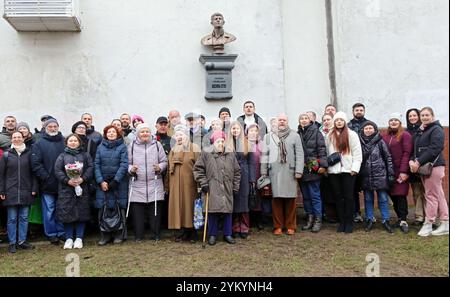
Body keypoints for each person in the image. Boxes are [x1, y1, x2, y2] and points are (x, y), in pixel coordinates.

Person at [193, 130, 241, 245]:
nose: (221, 143)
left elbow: (237, 171)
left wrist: (235, 187)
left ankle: (227, 234)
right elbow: (198, 169)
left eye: (223, 141)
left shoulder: (230, 153)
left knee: (227, 212)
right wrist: (203, 183)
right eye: (218, 141)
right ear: (213, 142)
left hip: (227, 187)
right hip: (211, 187)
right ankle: (212, 235)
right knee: (212, 211)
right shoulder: (206, 153)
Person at [260, 114, 304, 236]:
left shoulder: (295, 135)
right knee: (276, 199)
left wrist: (299, 170)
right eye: (280, 120)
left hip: (290, 171)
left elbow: (299, 154)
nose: (282, 122)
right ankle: (278, 226)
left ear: (287, 122)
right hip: (274, 172)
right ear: (276, 122)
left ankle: (290, 226)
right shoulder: (268, 137)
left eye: (284, 120)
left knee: (291, 199)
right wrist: (264, 172)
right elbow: (265, 155)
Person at [410, 107, 448, 236]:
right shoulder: (422, 130)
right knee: (438, 194)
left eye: (427, 115)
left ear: (432, 115)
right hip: (425, 166)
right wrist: (412, 161)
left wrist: (418, 162)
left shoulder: (436, 129)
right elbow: (415, 149)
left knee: (430, 195)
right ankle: (445, 222)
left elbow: (435, 148)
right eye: (422, 115)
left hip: (434, 166)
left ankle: (428, 224)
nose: (424, 117)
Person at [128, 123, 168, 241]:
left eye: (147, 131)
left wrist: (160, 167)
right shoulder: (132, 146)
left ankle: (156, 234)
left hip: (154, 182)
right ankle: (138, 236)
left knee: (155, 212)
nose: (145, 133)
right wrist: (131, 169)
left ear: (150, 133)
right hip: (137, 183)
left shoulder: (157, 145)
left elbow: (164, 161)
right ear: (138, 134)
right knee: (137, 213)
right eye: (142, 131)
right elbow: (127, 163)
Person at [0, 131, 38, 253]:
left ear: (23, 138)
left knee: (24, 217)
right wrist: (2, 190)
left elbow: (34, 173)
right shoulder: (6, 155)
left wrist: (34, 188)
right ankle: (12, 242)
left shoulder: (30, 154)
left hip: (26, 190)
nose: (17, 139)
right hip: (10, 190)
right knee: (11, 218)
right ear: (11, 139)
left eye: (19, 137)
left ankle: (22, 241)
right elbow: (1, 175)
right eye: (14, 137)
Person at [54, 134, 94, 249]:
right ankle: (69, 238)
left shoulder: (85, 155)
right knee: (67, 214)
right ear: (66, 143)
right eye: (70, 141)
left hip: (82, 188)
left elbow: (90, 168)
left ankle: (79, 238)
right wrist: (67, 180)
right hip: (66, 190)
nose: (73, 142)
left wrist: (82, 179)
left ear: (79, 142)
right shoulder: (62, 156)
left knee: (82, 213)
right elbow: (57, 170)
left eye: (75, 140)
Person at [325, 111, 362, 233]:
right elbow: (326, 152)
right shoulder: (329, 135)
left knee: (348, 197)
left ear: (345, 121)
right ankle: (342, 222)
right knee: (338, 197)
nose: (339, 122)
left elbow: (357, 153)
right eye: (336, 120)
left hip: (348, 170)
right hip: (334, 171)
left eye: (341, 120)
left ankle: (349, 222)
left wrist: (355, 168)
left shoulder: (352, 134)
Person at [31, 118, 66, 244]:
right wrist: (45, 177)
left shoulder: (64, 141)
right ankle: (51, 233)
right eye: (50, 126)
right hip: (47, 183)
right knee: (49, 209)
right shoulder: (39, 143)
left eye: (55, 126)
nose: (53, 128)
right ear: (45, 128)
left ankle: (62, 232)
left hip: (63, 183)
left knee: (61, 208)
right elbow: (36, 164)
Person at [94, 125, 129, 245]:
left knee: (118, 208)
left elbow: (124, 164)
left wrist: (115, 180)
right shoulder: (100, 147)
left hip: (118, 183)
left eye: (114, 132)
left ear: (118, 134)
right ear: (105, 134)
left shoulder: (122, 147)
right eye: (109, 132)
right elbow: (96, 165)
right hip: (103, 183)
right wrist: (101, 181)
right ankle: (105, 236)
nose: (111, 134)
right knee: (104, 208)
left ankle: (118, 235)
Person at [358, 121, 395, 233]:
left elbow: (388, 157)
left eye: (371, 128)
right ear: (363, 130)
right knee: (368, 199)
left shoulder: (380, 141)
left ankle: (386, 220)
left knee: (383, 199)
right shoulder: (359, 142)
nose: (368, 130)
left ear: (375, 130)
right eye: (366, 128)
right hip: (366, 175)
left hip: (380, 174)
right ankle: (369, 219)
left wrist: (391, 173)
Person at [167, 125, 200, 242]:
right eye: (177, 135)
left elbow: (200, 166)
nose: (179, 137)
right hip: (176, 184)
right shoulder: (173, 149)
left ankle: (193, 233)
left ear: (186, 135)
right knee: (179, 208)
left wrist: (200, 184)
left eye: (181, 134)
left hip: (190, 184)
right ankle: (183, 232)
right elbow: (168, 168)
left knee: (189, 207)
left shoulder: (194, 147)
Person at [382, 112, 413, 233]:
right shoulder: (385, 136)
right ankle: (399, 218)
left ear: (400, 122)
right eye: (391, 120)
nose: (393, 122)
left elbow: (407, 153)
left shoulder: (405, 135)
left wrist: (404, 171)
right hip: (388, 171)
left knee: (400, 195)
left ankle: (404, 220)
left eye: (396, 120)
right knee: (393, 195)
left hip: (400, 170)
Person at [297, 114, 328, 233]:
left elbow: (322, 149)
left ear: (310, 120)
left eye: (305, 118)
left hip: (313, 168)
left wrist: (323, 165)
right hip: (302, 169)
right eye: (301, 118)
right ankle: (309, 218)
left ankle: (317, 220)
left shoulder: (316, 132)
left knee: (315, 196)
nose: (303, 120)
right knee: (306, 197)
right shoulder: (298, 133)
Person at [227, 121, 256, 239]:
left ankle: (243, 227)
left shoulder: (247, 144)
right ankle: (234, 227)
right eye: (233, 129)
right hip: (231, 175)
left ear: (241, 130)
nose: (235, 130)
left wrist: (252, 179)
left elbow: (251, 163)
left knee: (243, 201)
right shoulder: (226, 144)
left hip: (244, 174)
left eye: (237, 128)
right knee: (233, 200)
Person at [348, 103, 370, 223]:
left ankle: (369, 214)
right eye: (357, 110)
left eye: (361, 110)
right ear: (353, 111)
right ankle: (356, 213)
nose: (359, 112)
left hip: (367, 162)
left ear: (364, 111)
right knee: (353, 190)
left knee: (367, 189)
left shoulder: (369, 124)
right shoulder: (349, 125)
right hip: (353, 162)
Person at [406, 108, 426, 225]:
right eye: (410, 116)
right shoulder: (406, 132)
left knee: (427, 192)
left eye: (414, 115)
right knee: (416, 192)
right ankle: (419, 216)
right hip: (411, 165)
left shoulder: (424, 130)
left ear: (419, 116)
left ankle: (429, 216)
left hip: (424, 164)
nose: (412, 118)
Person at [247, 123, 267, 230]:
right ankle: (249, 220)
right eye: (251, 131)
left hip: (259, 173)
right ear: (247, 132)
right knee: (249, 196)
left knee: (259, 197)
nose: (253, 133)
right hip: (248, 174)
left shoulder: (262, 144)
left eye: (255, 131)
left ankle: (259, 220)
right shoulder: (244, 144)